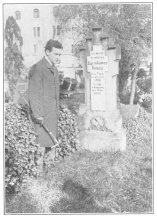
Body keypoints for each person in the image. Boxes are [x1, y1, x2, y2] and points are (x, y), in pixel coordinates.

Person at [28, 39, 63, 170]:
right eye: (56, 54)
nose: (58, 57)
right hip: (41, 118)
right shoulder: (38, 68)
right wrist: (38, 114)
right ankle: (38, 178)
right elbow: (33, 92)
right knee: (40, 148)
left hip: (52, 116)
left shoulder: (54, 69)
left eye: (60, 55)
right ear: (48, 52)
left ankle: (49, 175)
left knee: (51, 145)